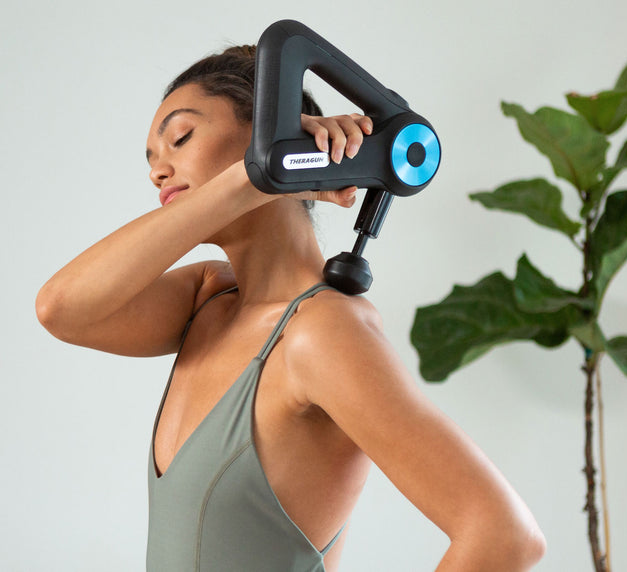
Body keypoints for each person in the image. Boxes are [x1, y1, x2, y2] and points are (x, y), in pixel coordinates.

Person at [36, 45, 546, 571]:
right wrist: (250, 179)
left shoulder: (322, 331)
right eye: (150, 160)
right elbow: (62, 309)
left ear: (270, 134)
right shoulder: (206, 299)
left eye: (181, 137)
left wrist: (263, 171)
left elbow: (504, 534)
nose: (158, 172)